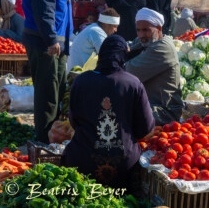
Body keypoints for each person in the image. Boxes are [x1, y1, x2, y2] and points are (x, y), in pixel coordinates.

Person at [61, 35, 155, 191]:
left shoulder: (81, 81)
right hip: (123, 165)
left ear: (101, 54)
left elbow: (74, 121)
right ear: (123, 56)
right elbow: (145, 128)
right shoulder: (133, 83)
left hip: (82, 161)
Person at [22, 0, 87, 143]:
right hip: (45, 45)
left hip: (57, 46)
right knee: (47, 94)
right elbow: (44, 8)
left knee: (57, 91)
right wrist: (51, 39)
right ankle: (43, 141)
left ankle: (51, 135)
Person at [126, 8, 183, 125]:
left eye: (146, 30)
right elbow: (127, 47)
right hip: (150, 105)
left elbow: (128, 72)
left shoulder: (163, 48)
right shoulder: (148, 41)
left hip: (164, 112)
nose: (141, 35)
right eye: (138, 30)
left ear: (159, 28)